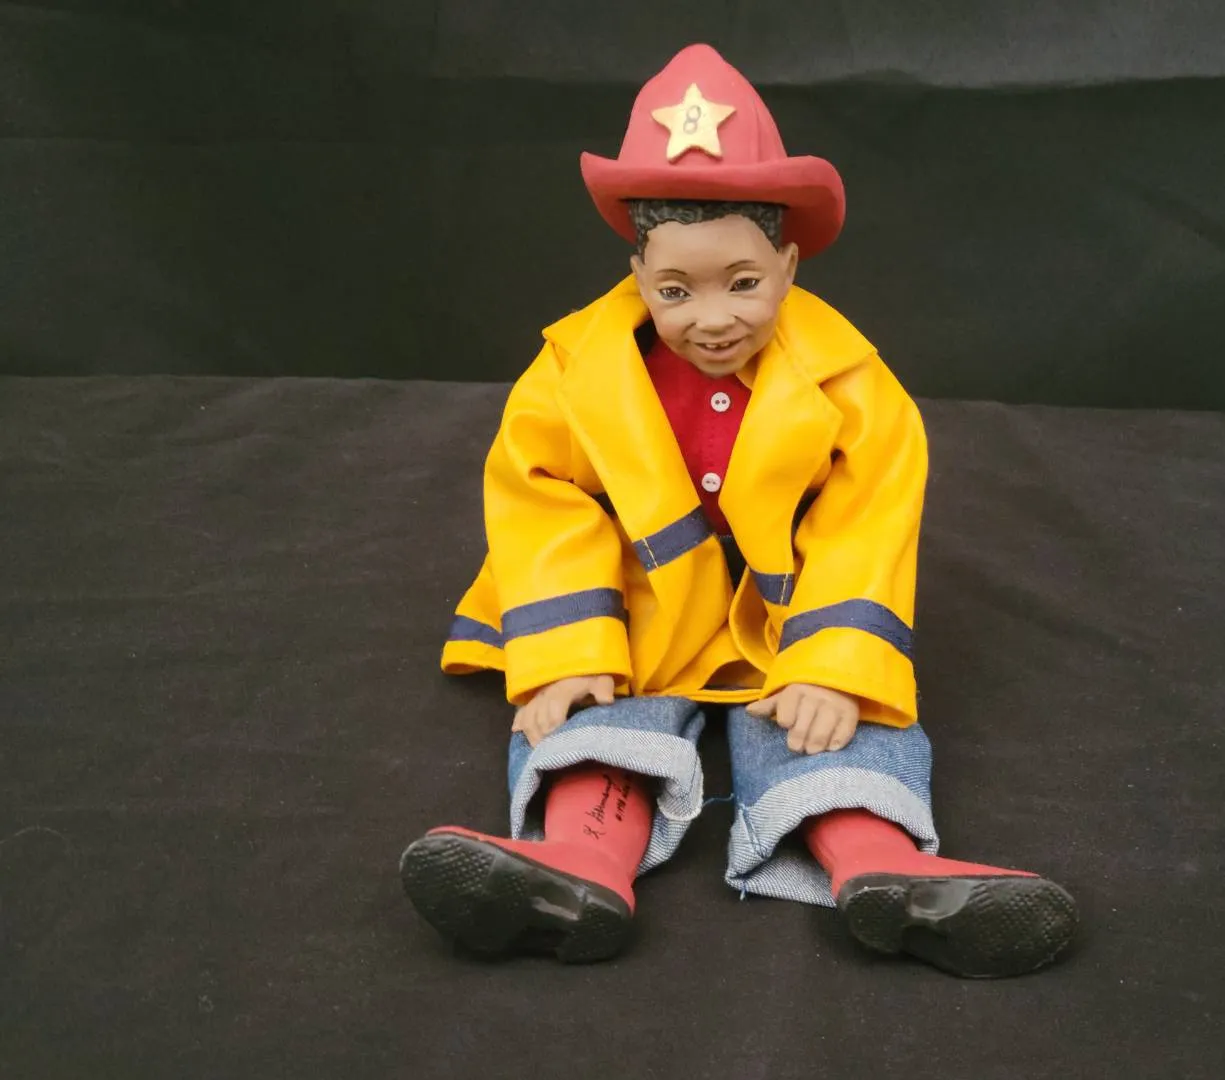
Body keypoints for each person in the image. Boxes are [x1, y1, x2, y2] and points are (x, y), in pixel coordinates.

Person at [399, 43, 1077, 978]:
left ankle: (881, 867)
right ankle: (576, 864)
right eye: (676, 291)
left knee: (832, 724)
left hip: (789, 608)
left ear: (788, 265)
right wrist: (569, 650)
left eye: (743, 283)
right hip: (637, 601)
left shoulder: (850, 383)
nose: (711, 318)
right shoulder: (575, 371)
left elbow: (867, 518)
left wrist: (833, 665)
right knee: (596, 720)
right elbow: (539, 496)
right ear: (638, 271)